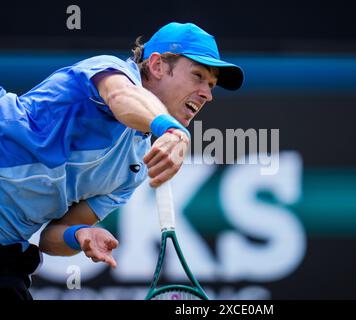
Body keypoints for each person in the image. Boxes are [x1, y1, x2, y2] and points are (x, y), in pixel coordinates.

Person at [0, 22, 244, 300]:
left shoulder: (135, 168)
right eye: (198, 76)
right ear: (157, 65)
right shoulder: (110, 71)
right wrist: (172, 130)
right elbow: (121, 97)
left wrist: (80, 235)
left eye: (211, 86)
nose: (207, 94)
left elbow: (52, 237)